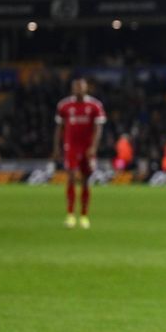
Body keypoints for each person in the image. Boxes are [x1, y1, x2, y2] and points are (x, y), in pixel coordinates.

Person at [53, 78, 105, 229]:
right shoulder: (64, 105)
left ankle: (84, 215)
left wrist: (94, 147)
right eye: (76, 87)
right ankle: (70, 215)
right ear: (72, 89)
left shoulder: (95, 105)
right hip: (71, 147)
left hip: (87, 148)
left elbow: (98, 128)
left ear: (86, 88)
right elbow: (59, 128)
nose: (79, 89)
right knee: (70, 178)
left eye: (81, 87)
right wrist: (56, 147)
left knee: (85, 181)